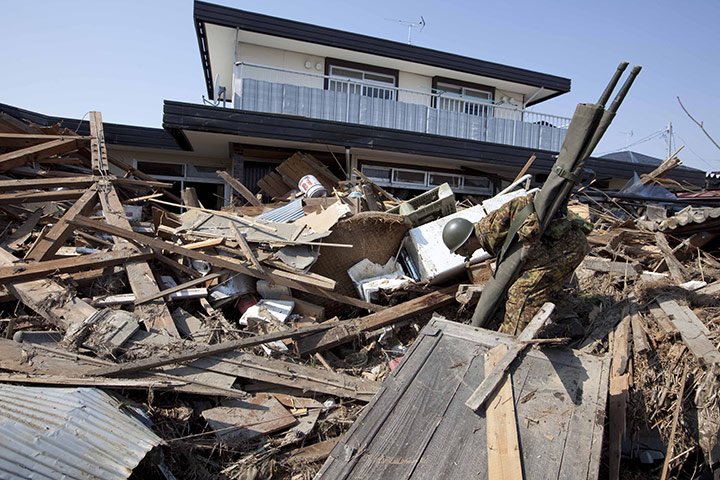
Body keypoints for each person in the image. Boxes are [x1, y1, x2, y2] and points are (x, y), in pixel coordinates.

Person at [442, 193, 592, 336]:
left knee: (520, 293)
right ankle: (569, 322)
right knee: (542, 287)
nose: (457, 254)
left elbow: (522, 203)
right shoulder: (486, 236)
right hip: (565, 249)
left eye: (457, 250)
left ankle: (511, 342)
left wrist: (529, 244)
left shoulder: (489, 229)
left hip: (566, 249)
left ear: (467, 242)